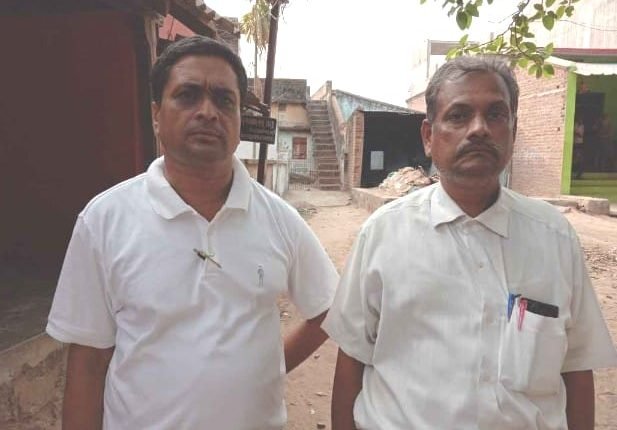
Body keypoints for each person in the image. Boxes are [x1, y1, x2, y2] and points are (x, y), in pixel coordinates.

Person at [46, 36, 339, 430]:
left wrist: (269, 368)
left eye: (224, 99)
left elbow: (329, 309)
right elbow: (88, 361)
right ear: (156, 115)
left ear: (238, 120)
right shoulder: (104, 221)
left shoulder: (279, 219)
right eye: (187, 95)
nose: (207, 112)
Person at [323, 56, 617, 430]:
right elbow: (351, 359)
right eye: (459, 116)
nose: (479, 129)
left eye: (495, 114)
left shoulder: (555, 238)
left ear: (513, 130)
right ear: (428, 137)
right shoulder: (382, 234)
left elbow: (575, 370)